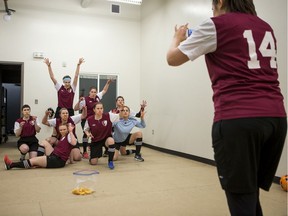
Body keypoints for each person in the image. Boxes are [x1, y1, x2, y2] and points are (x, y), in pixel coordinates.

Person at [166, 0, 287, 215]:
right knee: (249, 194)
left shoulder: (216, 24)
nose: (212, 10)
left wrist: (177, 38)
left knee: (241, 199)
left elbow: (172, 59)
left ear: (221, 2)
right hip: (275, 119)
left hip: (238, 119)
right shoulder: (265, 26)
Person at [4, 123, 77, 170]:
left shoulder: (69, 136)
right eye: (61, 130)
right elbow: (68, 150)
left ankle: (11, 165)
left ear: (67, 130)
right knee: (44, 142)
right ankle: (38, 160)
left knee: (32, 161)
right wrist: (70, 160)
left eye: (64, 129)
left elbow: (73, 143)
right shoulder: (63, 137)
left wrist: (71, 131)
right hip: (55, 155)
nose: (62, 131)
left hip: (57, 160)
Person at [74, 81, 112, 159]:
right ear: (89, 92)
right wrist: (79, 101)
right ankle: (85, 151)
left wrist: (107, 83)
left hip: (97, 119)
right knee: (86, 134)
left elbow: (104, 91)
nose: (93, 93)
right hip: (87, 120)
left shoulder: (97, 97)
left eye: (95, 92)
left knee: (100, 133)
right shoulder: (85, 99)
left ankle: (102, 149)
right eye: (92, 92)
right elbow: (75, 108)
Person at [83, 102, 120, 169]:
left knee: (111, 140)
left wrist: (122, 108)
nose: (100, 110)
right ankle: (96, 154)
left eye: (101, 108)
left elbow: (120, 115)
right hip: (96, 141)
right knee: (93, 162)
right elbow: (86, 129)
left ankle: (110, 161)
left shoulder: (109, 116)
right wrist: (88, 134)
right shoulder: (89, 119)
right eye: (98, 108)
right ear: (94, 110)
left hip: (106, 139)